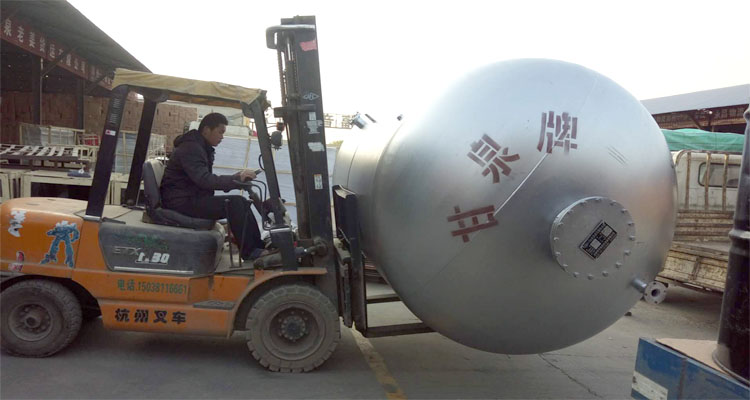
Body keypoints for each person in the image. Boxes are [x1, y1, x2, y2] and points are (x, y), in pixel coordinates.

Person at [160, 112, 266, 260]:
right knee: (235, 204)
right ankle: (250, 252)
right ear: (206, 130)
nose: (222, 137)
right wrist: (235, 179)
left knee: (242, 202)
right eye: (220, 132)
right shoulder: (191, 149)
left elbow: (204, 179)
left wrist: (236, 179)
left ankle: (258, 247)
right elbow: (204, 180)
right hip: (181, 201)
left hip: (189, 197)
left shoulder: (200, 147)